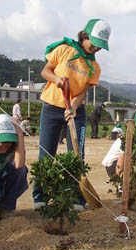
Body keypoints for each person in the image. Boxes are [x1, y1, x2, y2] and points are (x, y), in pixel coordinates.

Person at [32, 18, 111, 210]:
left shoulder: (94, 67)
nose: (97, 49)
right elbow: (46, 71)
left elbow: (84, 91)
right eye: (95, 43)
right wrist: (58, 81)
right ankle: (40, 196)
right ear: (85, 35)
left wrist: (74, 107)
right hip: (51, 106)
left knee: (77, 156)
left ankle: (77, 198)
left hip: (77, 111)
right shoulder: (64, 49)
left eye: (101, 46)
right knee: (46, 153)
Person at [102, 111, 136, 191]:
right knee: (134, 158)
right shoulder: (128, 137)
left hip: (125, 161)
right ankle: (123, 186)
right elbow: (122, 157)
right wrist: (119, 173)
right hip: (113, 165)